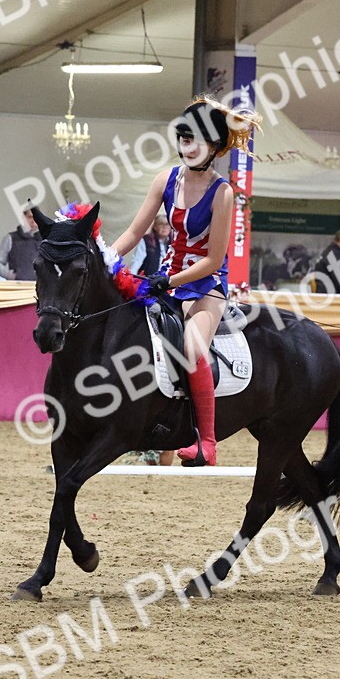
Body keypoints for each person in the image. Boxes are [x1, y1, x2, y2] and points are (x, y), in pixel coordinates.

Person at [111, 97, 262, 467]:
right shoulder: (165, 179)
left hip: (205, 286)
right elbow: (134, 231)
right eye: (184, 139)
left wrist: (169, 280)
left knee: (192, 348)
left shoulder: (223, 193)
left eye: (196, 141)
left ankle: (207, 442)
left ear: (214, 146)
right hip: (166, 279)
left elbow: (213, 259)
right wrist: (106, 257)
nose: (188, 147)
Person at [0, 205, 42, 281]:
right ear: (23, 218)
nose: (33, 221)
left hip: (42, 286)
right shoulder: (10, 238)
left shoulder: (46, 239)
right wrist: (11, 275)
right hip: (18, 285)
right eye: (30, 217)